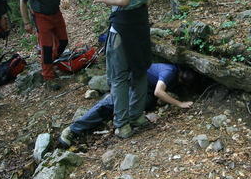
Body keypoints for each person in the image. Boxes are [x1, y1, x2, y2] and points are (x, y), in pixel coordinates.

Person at [93, 0, 153, 139]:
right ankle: (137, 116)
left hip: (124, 24)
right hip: (141, 22)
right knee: (139, 69)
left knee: (118, 76)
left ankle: (122, 124)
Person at [58, 63, 195, 148]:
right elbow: (158, 91)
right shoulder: (169, 72)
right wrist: (180, 104)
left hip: (144, 87)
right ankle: (73, 130)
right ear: (180, 76)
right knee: (112, 103)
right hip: (133, 81)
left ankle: (118, 113)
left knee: (146, 103)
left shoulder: (173, 72)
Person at [20, 0, 69, 89]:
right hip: (40, 16)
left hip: (56, 13)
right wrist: (26, 22)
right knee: (46, 47)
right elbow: (23, 2)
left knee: (63, 41)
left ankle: (51, 61)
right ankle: (48, 76)